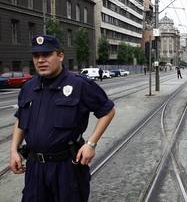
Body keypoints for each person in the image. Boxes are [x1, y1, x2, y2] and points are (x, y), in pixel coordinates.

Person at [10, 35, 116, 202]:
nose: (40, 60)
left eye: (46, 55)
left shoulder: (79, 84)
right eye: (36, 56)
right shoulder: (29, 87)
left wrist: (91, 144)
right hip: (35, 167)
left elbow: (108, 111)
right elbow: (21, 120)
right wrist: (13, 150)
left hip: (67, 168)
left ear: (60, 55)